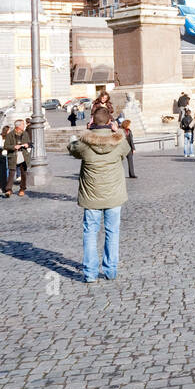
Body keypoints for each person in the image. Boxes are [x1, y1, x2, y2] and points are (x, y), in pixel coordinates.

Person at [67, 106, 128, 284]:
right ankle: (110, 270)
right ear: (110, 122)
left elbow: (71, 148)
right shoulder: (118, 142)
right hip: (114, 195)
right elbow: (127, 150)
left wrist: (87, 130)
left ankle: (90, 273)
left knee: (90, 233)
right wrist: (117, 131)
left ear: (93, 121)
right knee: (112, 232)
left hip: (91, 196)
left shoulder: (85, 144)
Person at [4, 120, 30, 196]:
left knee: (23, 174)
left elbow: (29, 142)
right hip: (13, 156)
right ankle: (8, 190)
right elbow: (5, 146)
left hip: (23, 156)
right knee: (12, 173)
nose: (24, 126)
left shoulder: (25, 133)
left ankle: (22, 189)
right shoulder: (10, 135)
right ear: (18, 126)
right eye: (23, 124)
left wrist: (27, 145)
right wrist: (14, 147)